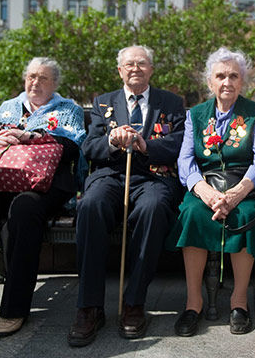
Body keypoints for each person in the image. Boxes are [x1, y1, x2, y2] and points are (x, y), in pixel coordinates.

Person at [0, 57, 86, 337]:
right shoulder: (8, 106)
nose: (35, 82)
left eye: (43, 78)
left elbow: (75, 145)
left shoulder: (67, 108)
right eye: (31, 76)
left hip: (43, 183)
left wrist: (34, 137)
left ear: (55, 83)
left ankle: (14, 309)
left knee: (23, 211)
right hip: (1, 178)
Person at [68, 45, 185, 346]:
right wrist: (110, 140)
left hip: (153, 176)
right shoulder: (102, 103)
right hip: (111, 175)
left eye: (142, 64)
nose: (135, 68)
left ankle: (134, 302)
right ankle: (89, 306)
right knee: (90, 205)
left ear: (151, 69)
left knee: (155, 207)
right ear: (119, 70)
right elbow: (89, 147)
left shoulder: (171, 103)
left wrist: (147, 146)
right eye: (129, 64)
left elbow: (180, 143)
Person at [168, 47, 255, 337]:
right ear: (210, 82)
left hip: (243, 184)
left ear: (242, 82)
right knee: (191, 212)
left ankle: (239, 302)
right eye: (220, 76)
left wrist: (238, 193)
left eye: (234, 76)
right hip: (206, 185)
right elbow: (186, 159)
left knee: (248, 214)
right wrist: (203, 191)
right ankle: (193, 302)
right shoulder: (196, 114)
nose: (227, 82)